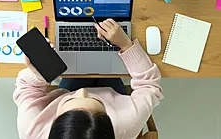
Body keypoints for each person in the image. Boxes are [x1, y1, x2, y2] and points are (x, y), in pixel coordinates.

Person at [13, 19, 164, 139]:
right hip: (115, 97)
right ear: (109, 123)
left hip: (66, 90)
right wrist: (126, 45)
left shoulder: (32, 130)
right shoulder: (127, 124)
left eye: (71, 101)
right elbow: (149, 86)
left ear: (54, 122)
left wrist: (39, 72)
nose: (82, 91)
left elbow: (26, 88)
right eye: (98, 102)